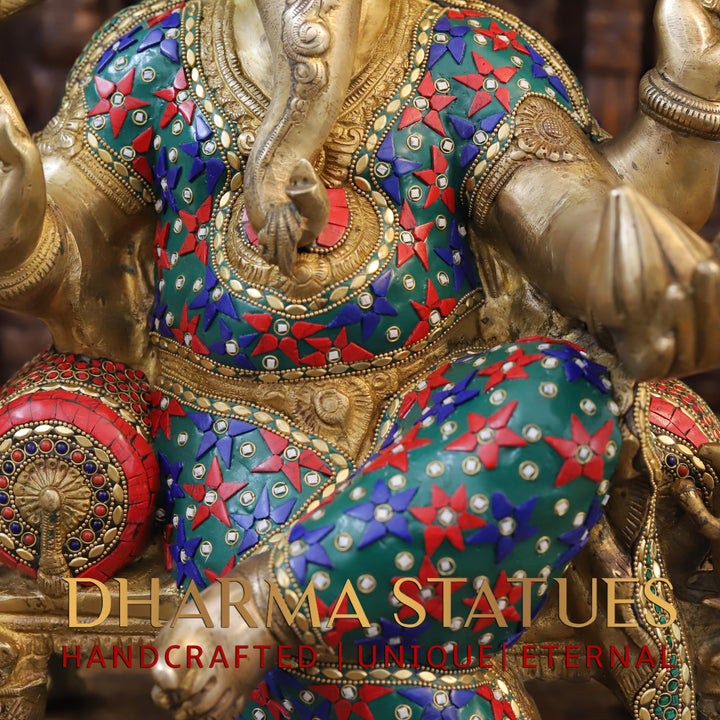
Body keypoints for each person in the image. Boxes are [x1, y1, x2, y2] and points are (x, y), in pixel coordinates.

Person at [1, 0, 720, 718]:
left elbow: (567, 211)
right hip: (244, 445)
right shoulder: (154, 57)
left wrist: (643, 266)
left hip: (444, 443)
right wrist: (20, 222)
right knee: (355, 649)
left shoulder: (468, 56)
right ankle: (300, 608)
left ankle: (264, 602)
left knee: (567, 387)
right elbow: (67, 236)